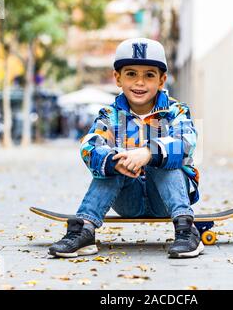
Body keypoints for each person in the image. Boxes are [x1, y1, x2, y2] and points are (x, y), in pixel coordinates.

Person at [48, 38, 202, 259]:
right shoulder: (109, 115)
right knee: (113, 163)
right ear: (118, 78)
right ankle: (84, 229)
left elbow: (188, 142)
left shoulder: (176, 111)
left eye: (149, 75)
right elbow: (89, 145)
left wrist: (148, 153)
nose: (139, 82)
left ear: (162, 80)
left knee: (165, 157)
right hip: (128, 198)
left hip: (166, 200)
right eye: (131, 74)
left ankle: (186, 230)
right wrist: (114, 161)